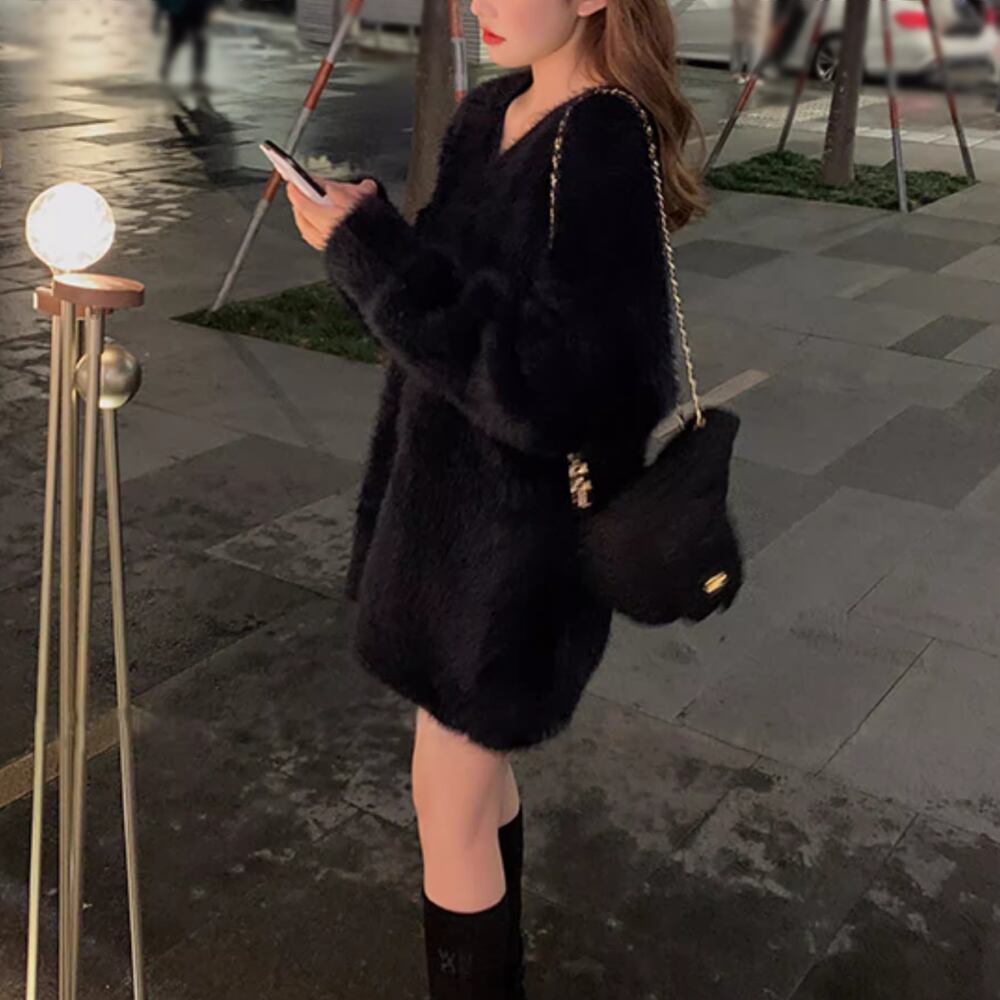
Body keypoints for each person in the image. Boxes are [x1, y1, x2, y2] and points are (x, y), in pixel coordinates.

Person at [283, 0, 704, 995]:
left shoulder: (602, 140)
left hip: (518, 553)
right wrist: (360, 238)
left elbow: (572, 382)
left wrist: (374, 256)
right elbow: (439, 299)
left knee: (447, 806)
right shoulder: (489, 113)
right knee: (468, 792)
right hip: (443, 521)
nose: (479, 3)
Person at [152, 0, 215, 89]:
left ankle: (197, 78)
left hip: (196, 8)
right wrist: (157, 17)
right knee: (176, 41)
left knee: (199, 42)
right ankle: (165, 70)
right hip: (180, 10)